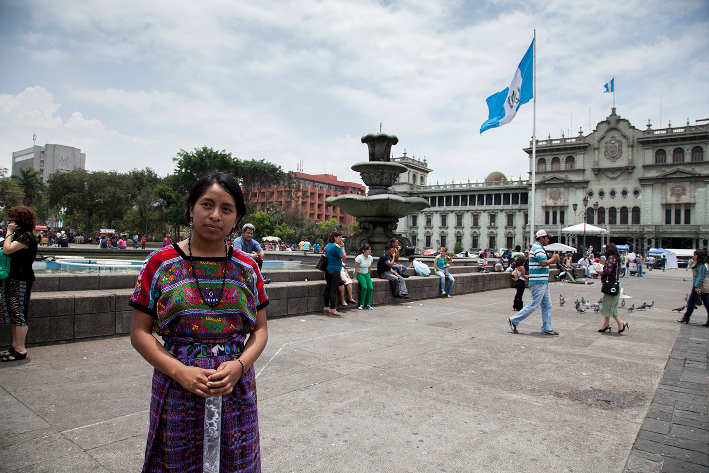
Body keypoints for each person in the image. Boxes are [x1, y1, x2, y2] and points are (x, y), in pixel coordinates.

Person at [129, 171, 268, 472]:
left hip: (235, 387)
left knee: (237, 462)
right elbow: (139, 331)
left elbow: (260, 330)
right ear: (191, 207)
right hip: (177, 385)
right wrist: (179, 371)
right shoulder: (160, 264)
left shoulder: (247, 268)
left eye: (226, 209)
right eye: (207, 204)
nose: (215, 215)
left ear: (237, 217)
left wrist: (239, 366)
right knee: (175, 462)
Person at [0, 206, 39, 362]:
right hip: (12, 278)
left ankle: (20, 349)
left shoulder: (26, 237)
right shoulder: (20, 235)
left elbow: (7, 250)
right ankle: (15, 347)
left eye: (13, 219)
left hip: (20, 278)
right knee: (13, 313)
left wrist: (9, 232)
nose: (10, 222)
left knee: (19, 313)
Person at [508, 230, 559, 335]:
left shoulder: (538, 248)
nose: (548, 240)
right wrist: (553, 260)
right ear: (541, 238)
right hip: (538, 281)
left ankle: (546, 327)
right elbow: (543, 263)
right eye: (547, 238)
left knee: (547, 305)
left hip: (542, 281)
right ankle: (514, 319)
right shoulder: (538, 248)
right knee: (535, 304)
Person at [596, 243, 628, 333]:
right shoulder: (616, 258)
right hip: (614, 284)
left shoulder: (611, 258)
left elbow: (608, 271)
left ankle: (621, 323)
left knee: (611, 306)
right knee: (607, 305)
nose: (604, 251)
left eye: (606, 249)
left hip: (611, 285)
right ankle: (606, 324)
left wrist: (600, 272)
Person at [677, 249, 709, 326]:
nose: (694, 257)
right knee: (705, 303)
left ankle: (686, 317)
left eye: (695, 255)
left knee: (692, 302)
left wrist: (696, 287)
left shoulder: (702, 265)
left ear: (699, 256)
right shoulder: (704, 264)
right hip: (702, 286)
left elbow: (700, 276)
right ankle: (686, 317)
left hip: (699, 286)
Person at [324, 231, 346, 316]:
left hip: (328, 269)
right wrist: (342, 248)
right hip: (335, 270)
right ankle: (333, 309)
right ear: (335, 237)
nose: (341, 239)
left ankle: (326, 308)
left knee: (328, 289)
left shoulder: (328, 246)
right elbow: (343, 257)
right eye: (339, 237)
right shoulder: (336, 247)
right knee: (333, 290)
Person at [354, 244, 374, 310]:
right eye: (368, 250)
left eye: (370, 249)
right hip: (360, 273)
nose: (369, 251)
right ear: (363, 251)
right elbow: (356, 269)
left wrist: (369, 277)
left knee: (370, 288)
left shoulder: (370, 258)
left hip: (366, 273)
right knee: (364, 287)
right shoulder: (359, 258)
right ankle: (361, 304)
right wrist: (355, 278)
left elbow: (369, 268)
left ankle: (368, 304)